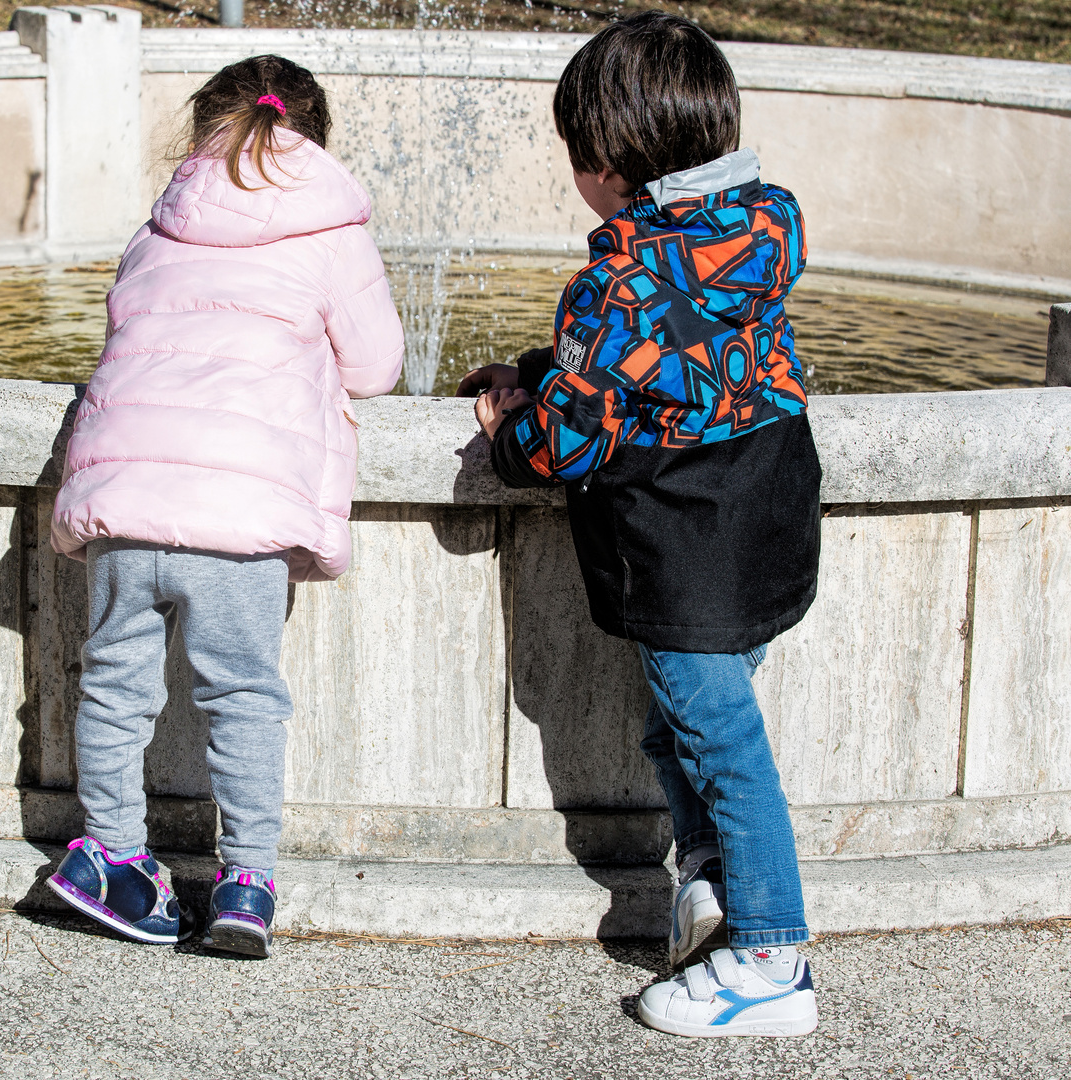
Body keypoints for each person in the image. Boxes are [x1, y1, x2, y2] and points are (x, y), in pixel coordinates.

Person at [461, 12, 821, 1037]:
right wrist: (542, 368)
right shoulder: (759, 224)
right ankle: (708, 878)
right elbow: (670, 354)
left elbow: (562, 446)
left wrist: (509, 424)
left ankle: (769, 958)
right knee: (692, 723)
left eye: (577, 156)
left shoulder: (617, 281)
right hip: (766, 513)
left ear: (611, 161)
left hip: (687, 543)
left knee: (719, 740)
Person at [46, 55, 404, 958]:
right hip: (239, 511)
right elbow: (376, 367)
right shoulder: (331, 224)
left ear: (205, 127)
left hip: (127, 499)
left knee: (116, 685)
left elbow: (128, 327)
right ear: (311, 135)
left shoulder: (161, 220)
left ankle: (110, 857)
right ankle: (244, 883)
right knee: (243, 695)